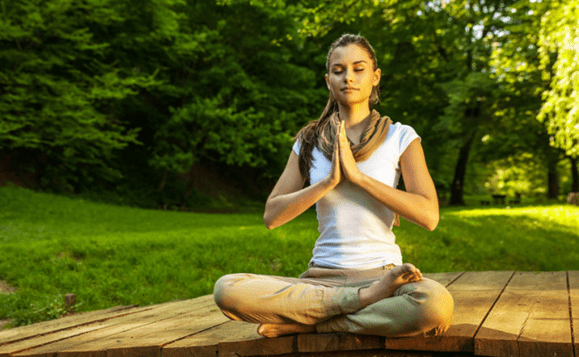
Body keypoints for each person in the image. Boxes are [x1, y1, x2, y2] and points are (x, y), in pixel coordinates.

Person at [213, 34, 454, 339]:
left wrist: (359, 178)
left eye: (358, 68)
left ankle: (315, 322)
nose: (348, 78)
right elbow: (272, 216)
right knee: (228, 290)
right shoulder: (310, 140)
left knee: (434, 306)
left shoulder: (400, 137)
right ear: (328, 80)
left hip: (384, 276)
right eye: (338, 71)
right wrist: (329, 182)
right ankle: (358, 303)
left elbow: (429, 216)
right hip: (320, 281)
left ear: (375, 77)